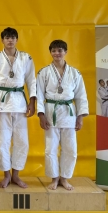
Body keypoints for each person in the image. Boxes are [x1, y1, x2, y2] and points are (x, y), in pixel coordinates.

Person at [0, 27, 36, 188]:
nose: (10, 40)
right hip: (2, 104)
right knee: (3, 142)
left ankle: (16, 175)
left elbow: (31, 80)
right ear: (2, 40)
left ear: (17, 40)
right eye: (7, 37)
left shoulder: (26, 57)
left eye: (13, 37)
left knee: (22, 141)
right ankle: (6, 175)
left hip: (20, 104)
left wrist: (32, 102)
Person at [36, 40, 89, 191]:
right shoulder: (43, 72)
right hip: (51, 111)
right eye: (53, 50)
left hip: (68, 113)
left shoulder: (75, 73)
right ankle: (54, 178)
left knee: (70, 149)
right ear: (50, 52)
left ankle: (64, 178)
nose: (57, 53)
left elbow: (81, 96)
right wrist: (41, 114)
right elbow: (39, 94)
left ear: (65, 52)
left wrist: (80, 117)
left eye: (60, 50)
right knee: (50, 148)